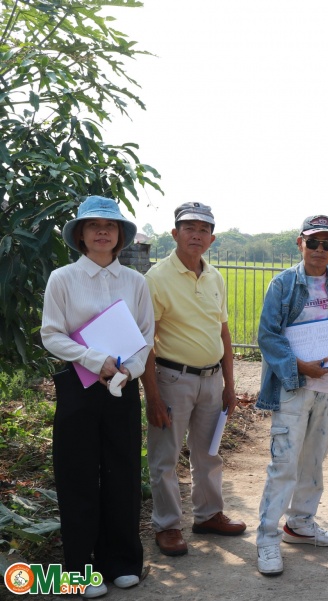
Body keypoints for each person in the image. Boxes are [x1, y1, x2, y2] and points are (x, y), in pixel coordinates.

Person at [41, 196, 154, 598]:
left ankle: (122, 562)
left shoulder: (136, 282)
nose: (102, 232)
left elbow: (146, 335)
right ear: (81, 235)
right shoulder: (63, 278)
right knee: (78, 476)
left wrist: (128, 370)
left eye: (110, 226)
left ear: (121, 235)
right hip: (79, 385)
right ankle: (80, 570)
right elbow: (51, 333)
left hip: (122, 386)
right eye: (93, 225)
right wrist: (95, 359)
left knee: (123, 473)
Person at [255, 215, 328, 576]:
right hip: (294, 388)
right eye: (313, 242)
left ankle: (300, 523)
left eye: (327, 243)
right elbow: (268, 335)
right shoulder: (283, 284)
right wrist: (299, 366)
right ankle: (267, 538)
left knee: (314, 460)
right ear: (300, 243)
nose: (320, 249)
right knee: (284, 463)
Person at [143, 202, 246, 558]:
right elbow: (146, 342)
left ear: (212, 239)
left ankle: (208, 515)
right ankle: (168, 525)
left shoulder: (214, 276)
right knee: (165, 457)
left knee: (209, 453)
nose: (196, 235)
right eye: (189, 228)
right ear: (175, 233)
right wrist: (152, 396)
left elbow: (223, 333)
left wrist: (230, 386)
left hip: (211, 380)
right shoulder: (156, 278)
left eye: (204, 230)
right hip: (173, 379)